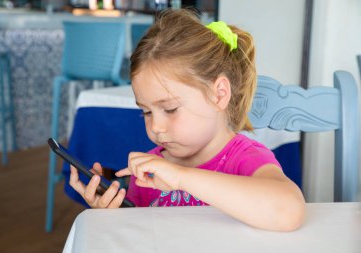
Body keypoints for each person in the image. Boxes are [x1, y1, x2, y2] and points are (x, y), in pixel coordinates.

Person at [69, 8, 305, 231]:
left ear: (219, 94)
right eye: (147, 112)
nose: (156, 128)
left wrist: (181, 178)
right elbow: (137, 235)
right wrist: (111, 214)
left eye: (170, 109)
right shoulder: (151, 168)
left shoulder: (245, 158)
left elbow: (288, 211)